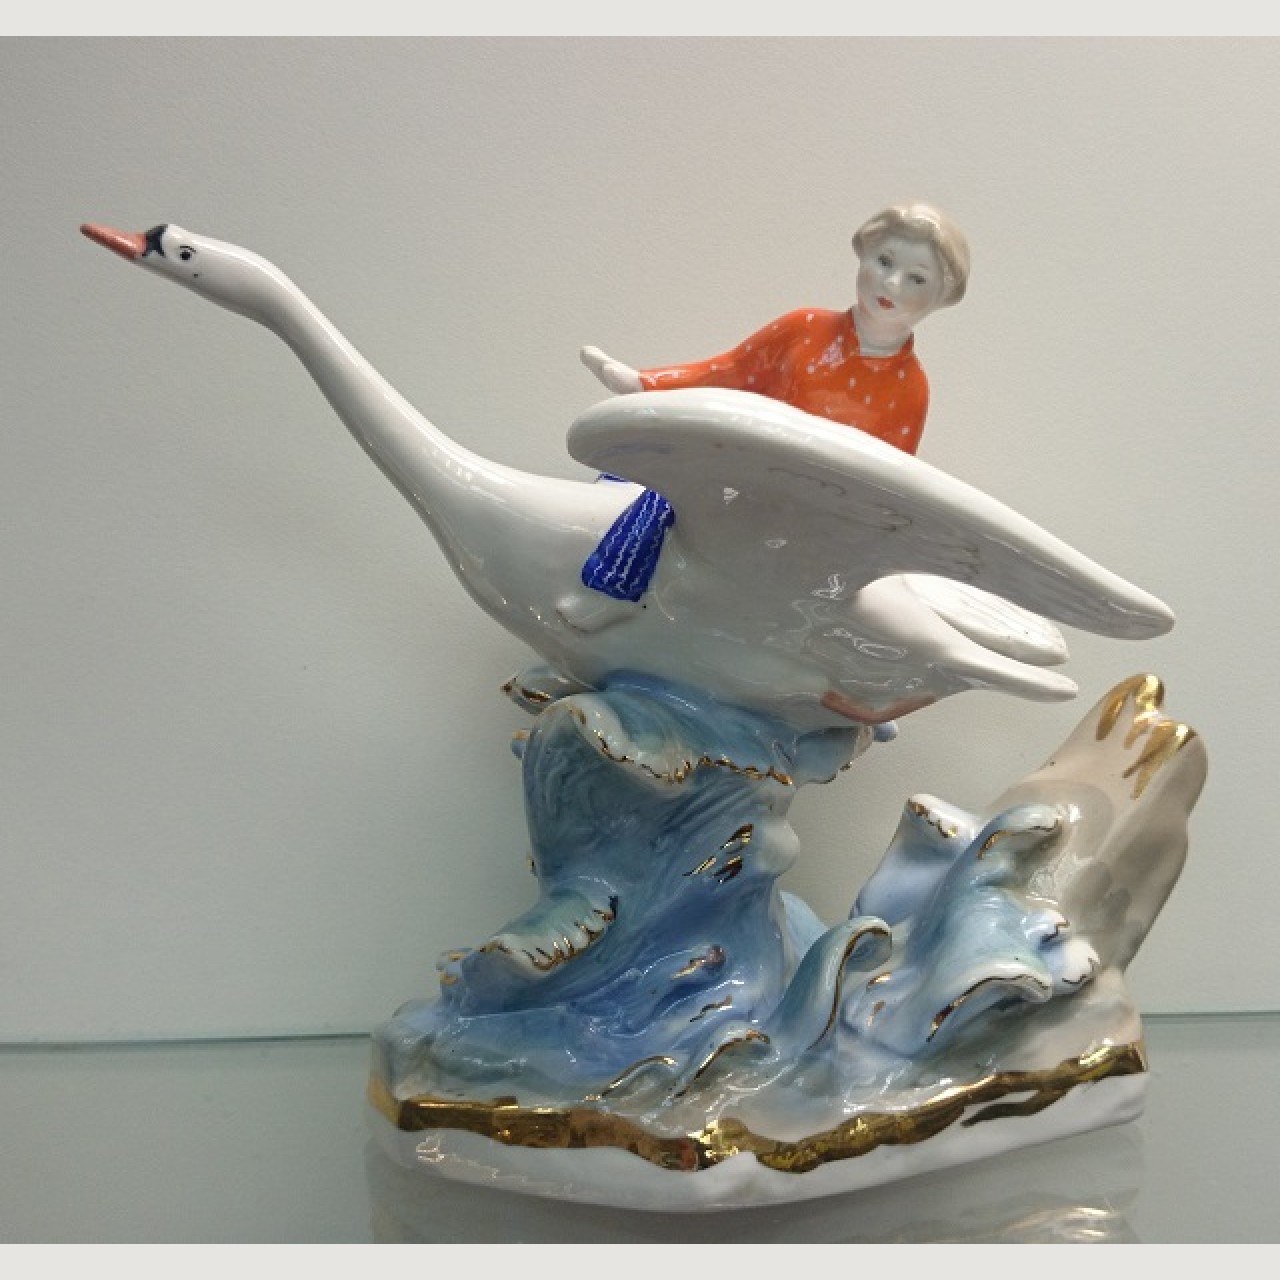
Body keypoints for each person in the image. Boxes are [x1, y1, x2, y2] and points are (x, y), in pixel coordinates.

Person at [581, 202, 970, 456]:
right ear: (864, 253)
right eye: (885, 261)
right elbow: (730, 371)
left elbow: (895, 482)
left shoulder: (911, 388)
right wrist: (646, 384)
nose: (892, 283)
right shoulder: (804, 328)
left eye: (917, 279)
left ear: (940, 297)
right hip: (746, 477)